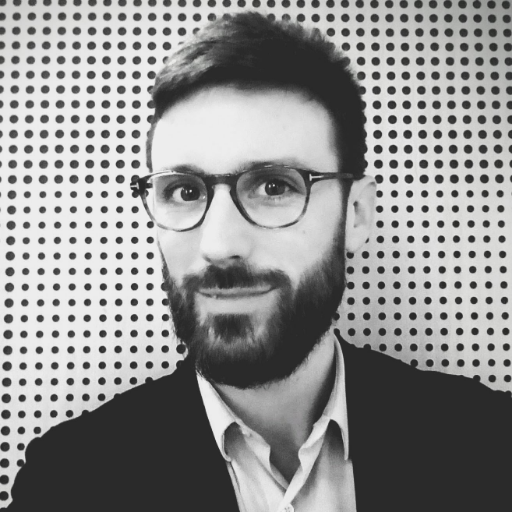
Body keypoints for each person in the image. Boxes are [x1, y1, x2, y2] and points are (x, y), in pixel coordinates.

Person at [5, 12, 512, 512]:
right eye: (184, 191)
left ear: (355, 215)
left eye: (274, 186)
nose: (219, 245)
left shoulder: (491, 444)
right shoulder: (67, 483)